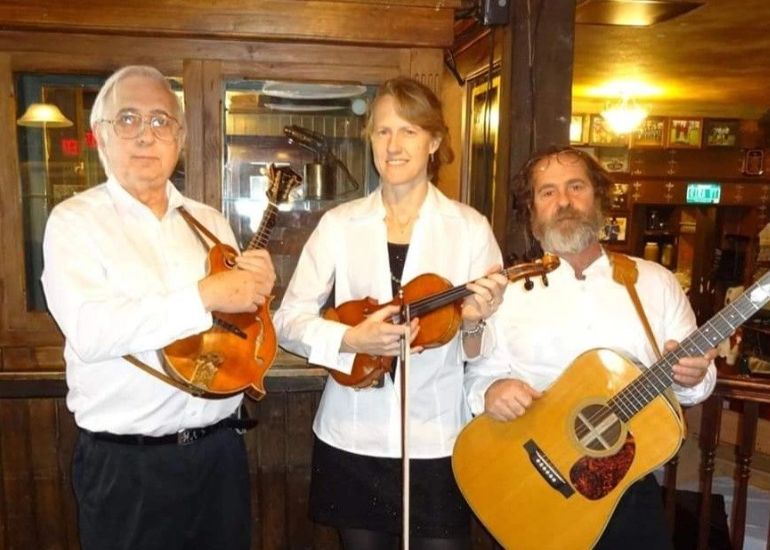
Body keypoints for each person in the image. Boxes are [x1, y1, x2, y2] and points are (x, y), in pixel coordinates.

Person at [41, 65, 275, 550]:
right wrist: (206, 295)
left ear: (181, 136)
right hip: (128, 470)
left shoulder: (209, 222)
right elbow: (92, 331)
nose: (145, 135)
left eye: (160, 121)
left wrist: (257, 294)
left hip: (219, 456)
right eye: (127, 119)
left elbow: (234, 329)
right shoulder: (74, 223)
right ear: (99, 136)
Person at [274, 77, 508, 549]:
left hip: (437, 440)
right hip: (353, 438)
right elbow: (288, 320)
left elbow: (487, 351)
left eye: (409, 131)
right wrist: (349, 341)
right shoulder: (339, 225)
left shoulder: (468, 228)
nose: (394, 145)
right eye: (383, 131)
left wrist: (476, 321)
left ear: (434, 141)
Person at [464, 146, 717, 549]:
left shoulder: (655, 282)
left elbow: (695, 385)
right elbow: (478, 376)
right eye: (547, 192)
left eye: (575, 186)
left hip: (628, 489)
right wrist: (491, 392)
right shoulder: (507, 291)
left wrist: (695, 374)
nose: (563, 201)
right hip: (537, 485)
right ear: (532, 211)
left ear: (599, 196)